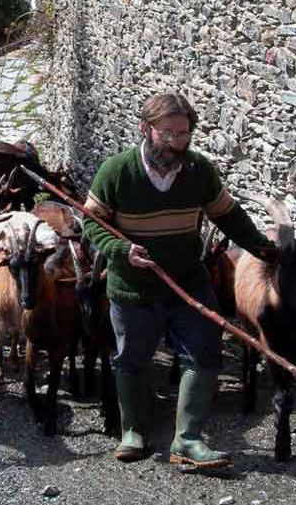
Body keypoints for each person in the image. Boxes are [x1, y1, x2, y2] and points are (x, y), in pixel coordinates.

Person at [82, 92, 276, 467]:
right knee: (132, 360)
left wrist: (264, 249)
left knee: (203, 356)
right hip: (132, 287)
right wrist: (122, 252)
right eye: (167, 134)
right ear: (145, 129)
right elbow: (93, 222)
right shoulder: (117, 171)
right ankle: (133, 431)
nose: (176, 143)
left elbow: (228, 215)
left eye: (183, 134)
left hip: (188, 281)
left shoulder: (198, 171)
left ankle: (186, 441)